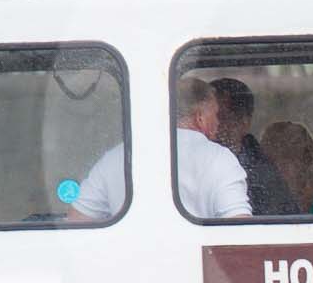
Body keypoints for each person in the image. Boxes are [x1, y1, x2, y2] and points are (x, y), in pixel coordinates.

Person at [70, 76, 249, 220]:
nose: (219, 123)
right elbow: (238, 226)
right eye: (216, 115)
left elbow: (77, 220)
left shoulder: (117, 157)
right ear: (200, 117)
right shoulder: (220, 159)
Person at [210, 77, 296, 215]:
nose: (212, 126)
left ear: (244, 123)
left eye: (220, 118)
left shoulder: (265, 176)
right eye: (205, 117)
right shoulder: (191, 159)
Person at [260, 119, 313, 214]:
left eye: (286, 159)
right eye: (269, 162)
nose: (277, 169)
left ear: (307, 159)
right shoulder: (262, 198)